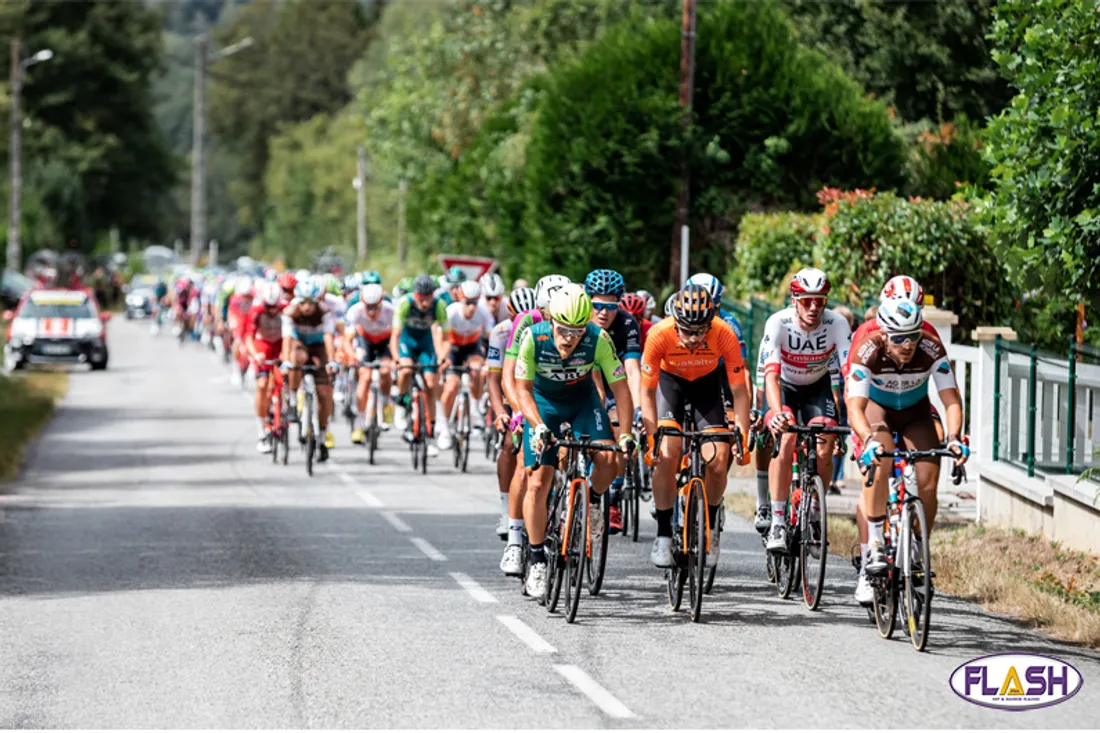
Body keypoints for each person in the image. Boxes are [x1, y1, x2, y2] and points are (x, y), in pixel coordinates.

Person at [513, 284, 635, 598]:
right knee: (538, 481)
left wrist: (625, 434)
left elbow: (620, 389)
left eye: (577, 330)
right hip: (544, 403)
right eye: (564, 329)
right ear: (551, 320)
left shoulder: (597, 339)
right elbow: (523, 389)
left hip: (583, 401)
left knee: (610, 460)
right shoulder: (534, 337)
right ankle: (538, 559)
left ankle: (592, 500)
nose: (570, 338)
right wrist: (538, 426)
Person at [847, 296, 968, 604]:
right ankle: (873, 549)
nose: (908, 344)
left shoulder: (930, 348)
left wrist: (954, 437)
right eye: (899, 338)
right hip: (878, 412)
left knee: (928, 480)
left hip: (915, 412)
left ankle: (916, 544)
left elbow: (951, 399)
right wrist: (867, 439)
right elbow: (856, 406)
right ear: (884, 333)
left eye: (913, 335)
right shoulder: (868, 349)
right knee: (879, 463)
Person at [642, 284, 750, 569]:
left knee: (718, 459)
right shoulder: (659, 334)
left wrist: (742, 434)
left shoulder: (723, 333)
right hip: (670, 384)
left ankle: (711, 526)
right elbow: (646, 391)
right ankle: (664, 534)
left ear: (710, 322)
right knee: (668, 451)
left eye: (700, 330)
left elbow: (740, 391)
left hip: (706, 386)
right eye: (686, 330)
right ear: (675, 322)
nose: (693, 337)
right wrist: (652, 437)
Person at [760, 268, 851, 552]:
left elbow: (851, 374)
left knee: (825, 445)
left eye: (820, 301)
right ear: (795, 299)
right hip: (784, 386)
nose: (814, 308)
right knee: (785, 439)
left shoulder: (837, 324)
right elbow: (771, 375)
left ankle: (813, 510)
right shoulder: (779, 323)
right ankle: (776, 520)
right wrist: (777, 413)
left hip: (817, 386)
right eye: (807, 301)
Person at [584, 268, 642, 534]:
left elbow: (632, 369)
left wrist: (638, 408)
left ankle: (614, 499)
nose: (603, 313)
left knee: (620, 430)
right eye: (597, 305)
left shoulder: (628, 323)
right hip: (586, 381)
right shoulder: (581, 320)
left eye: (610, 306)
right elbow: (593, 377)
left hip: (615, 381)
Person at [488, 287, 537, 569]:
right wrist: (501, 413)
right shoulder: (501, 332)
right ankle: (506, 507)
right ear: (511, 315)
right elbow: (494, 380)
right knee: (509, 445)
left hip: (532, 388)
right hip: (510, 393)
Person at [280, 276, 339, 461]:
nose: (306, 307)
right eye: (303, 302)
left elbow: (329, 338)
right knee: (296, 358)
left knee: (324, 392)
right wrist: (285, 362)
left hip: (319, 345)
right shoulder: (290, 313)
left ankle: (321, 437)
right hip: (300, 344)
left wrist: (332, 361)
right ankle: (292, 397)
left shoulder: (324, 313)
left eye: (311, 303)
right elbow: (287, 340)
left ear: (317, 301)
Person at [391, 274, 450, 456]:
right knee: (406, 370)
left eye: (428, 298)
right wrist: (396, 358)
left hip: (426, 344)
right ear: (415, 295)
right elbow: (395, 336)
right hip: (406, 343)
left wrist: (442, 356)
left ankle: (430, 431)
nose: (425, 303)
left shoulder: (439, 305)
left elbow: (446, 338)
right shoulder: (404, 304)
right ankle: (401, 403)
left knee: (432, 385)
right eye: (421, 299)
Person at [438, 280, 493, 450]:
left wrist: (489, 361)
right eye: (467, 303)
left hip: (472, 347)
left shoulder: (483, 314)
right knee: (451, 385)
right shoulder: (451, 312)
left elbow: (492, 340)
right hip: (452, 348)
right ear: (460, 300)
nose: (471, 307)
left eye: (475, 302)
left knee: (477, 370)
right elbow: (441, 339)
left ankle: (475, 411)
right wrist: (442, 359)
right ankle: (445, 427)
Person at [344, 283, 394, 443]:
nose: (372, 312)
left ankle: (386, 404)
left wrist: (395, 359)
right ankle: (360, 423)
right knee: (364, 377)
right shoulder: (355, 311)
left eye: (376, 307)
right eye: (368, 307)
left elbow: (398, 337)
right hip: (365, 342)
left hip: (385, 342)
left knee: (386, 372)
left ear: (381, 303)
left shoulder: (390, 311)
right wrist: (352, 356)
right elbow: (347, 340)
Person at [245, 282, 288, 452]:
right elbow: (248, 337)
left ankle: (286, 406)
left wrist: (287, 353)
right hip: (263, 345)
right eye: (268, 306)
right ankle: (261, 430)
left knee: (285, 376)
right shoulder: (256, 311)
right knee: (262, 385)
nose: (272, 310)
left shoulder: (286, 308)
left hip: (281, 344)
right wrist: (255, 354)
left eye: (274, 306)